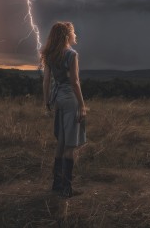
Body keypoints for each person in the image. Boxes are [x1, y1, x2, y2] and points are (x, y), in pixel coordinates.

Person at [42, 22, 87, 197]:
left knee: (60, 142)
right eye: (74, 32)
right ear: (67, 35)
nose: (76, 35)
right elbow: (75, 82)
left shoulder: (50, 54)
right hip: (70, 100)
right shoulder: (72, 54)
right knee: (70, 145)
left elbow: (46, 81)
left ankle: (57, 184)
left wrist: (47, 102)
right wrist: (82, 105)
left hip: (57, 99)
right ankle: (67, 189)